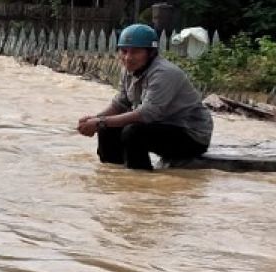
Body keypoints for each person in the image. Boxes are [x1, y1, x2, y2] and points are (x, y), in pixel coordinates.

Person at [76, 23, 212, 170]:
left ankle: (140, 179)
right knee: (106, 129)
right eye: (124, 51)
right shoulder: (128, 70)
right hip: (160, 127)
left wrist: (100, 122)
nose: (128, 58)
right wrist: (94, 120)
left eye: (135, 52)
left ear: (151, 53)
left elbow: (147, 114)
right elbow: (120, 104)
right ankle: (114, 178)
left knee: (133, 132)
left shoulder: (164, 73)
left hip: (192, 135)